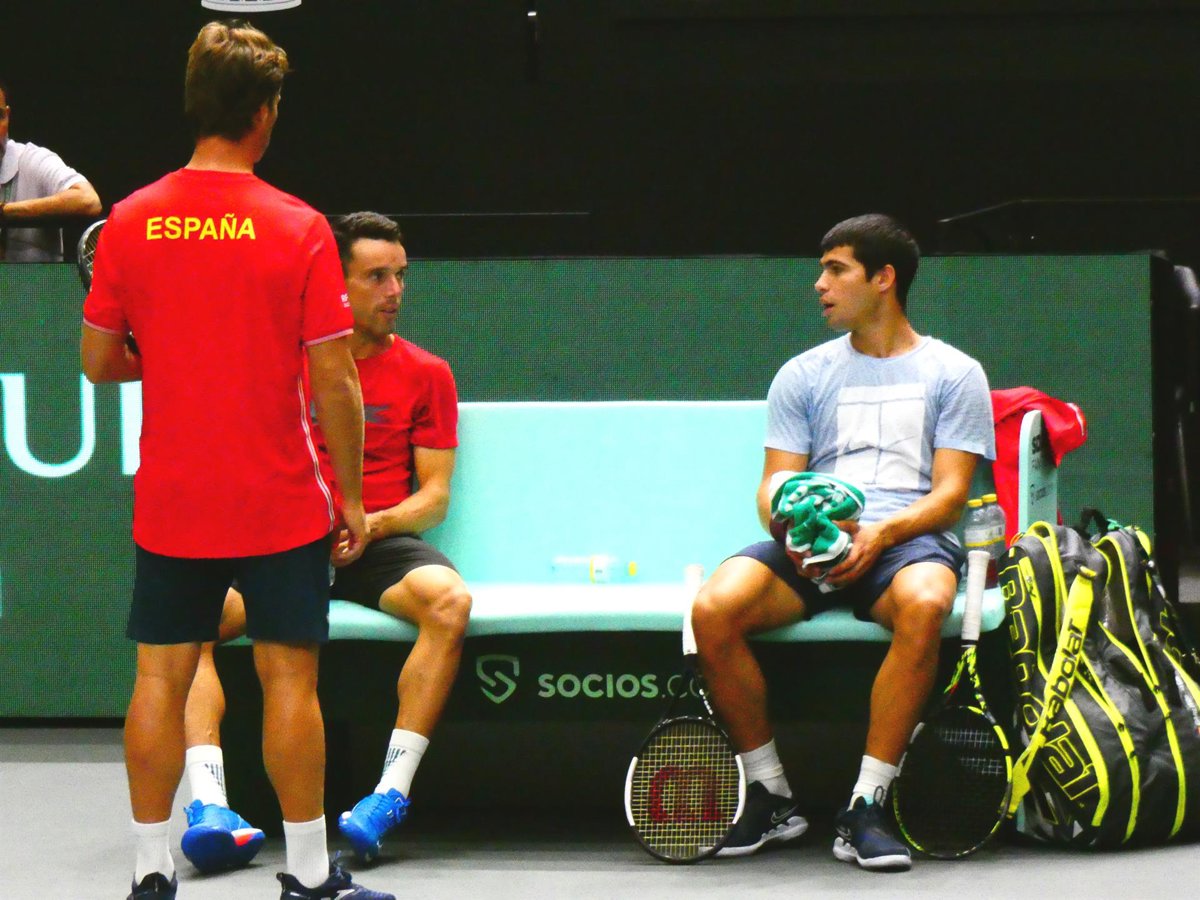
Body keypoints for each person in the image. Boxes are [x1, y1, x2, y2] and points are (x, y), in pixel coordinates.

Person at [80, 20, 392, 900]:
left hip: (175, 497)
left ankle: (150, 873)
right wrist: (352, 497)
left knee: (159, 678)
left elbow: (99, 362)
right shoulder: (299, 226)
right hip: (279, 496)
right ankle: (309, 874)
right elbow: (336, 379)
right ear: (263, 113)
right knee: (289, 680)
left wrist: (174, 357)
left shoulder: (131, 220)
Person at [691, 213, 994, 871]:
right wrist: (792, 529)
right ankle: (771, 795)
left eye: (836, 270)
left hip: (905, 541)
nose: (819, 285)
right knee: (713, 609)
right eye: (821, 270)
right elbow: (774, 485)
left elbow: (949, 497)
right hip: (815, 540)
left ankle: (867, 804)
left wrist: (881, 532)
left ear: (883, 279)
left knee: (927, 602)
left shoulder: (955, 373)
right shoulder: (803, 374)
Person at [181, 211, 470, 867]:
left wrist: (370, 522)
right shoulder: (280, 365)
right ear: (337, 287)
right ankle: (211, 806)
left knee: (450, 603)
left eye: (400, 275)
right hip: (287, 538)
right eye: (376, 277)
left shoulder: (428, 372)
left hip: (376, 540)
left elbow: (433, 497)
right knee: (187, 620)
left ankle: (388, 796)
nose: (394, 291)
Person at [0, 77, 102, 261]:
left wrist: (5, 213)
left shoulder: (31, 160)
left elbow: (88, 201)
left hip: (32, 281)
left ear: (8, 115)